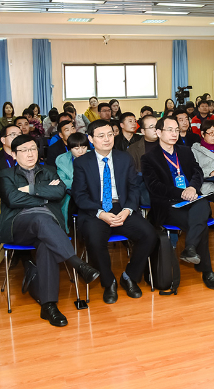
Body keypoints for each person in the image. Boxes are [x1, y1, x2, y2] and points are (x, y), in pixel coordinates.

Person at [0, 135, 100, 326]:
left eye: (33, 149)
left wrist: (28, 189)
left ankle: (49, 306)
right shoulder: (5, 175)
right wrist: (45, 196)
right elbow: (13, 200)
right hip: (18, 225)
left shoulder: (49, 170)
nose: (30, 154)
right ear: (13, 154)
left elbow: (59, 192)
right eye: (24, 150)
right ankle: (78, 264)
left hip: (49, 227)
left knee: (46, 244)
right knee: (40, 218)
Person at [72, 120, 157, 303]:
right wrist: (100, 213)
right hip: (95, 210)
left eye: (110, 134)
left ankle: (130, 276)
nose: (107, 139)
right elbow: (79, 195)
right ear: (90, 139)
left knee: (150, 234)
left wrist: (127, 210)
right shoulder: (82, 163)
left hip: (122, 207)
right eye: (101, 136)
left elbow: (134, 188)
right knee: (94, 239)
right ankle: (108, 281)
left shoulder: (124, 158)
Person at [141, 116, 214, 290]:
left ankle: (190, 248)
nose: (174, 133)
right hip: (168, 205)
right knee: (198, 223)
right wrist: (182, 193)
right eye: (169, 130)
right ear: (158, 132)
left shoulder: (185, 151)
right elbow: (155, 187)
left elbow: (197, 172)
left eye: (176, 130)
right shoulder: (149, 158)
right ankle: (207, 270)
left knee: (202, 205)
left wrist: (192, 188)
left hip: (192, 199)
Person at [191, 119, 214, 214]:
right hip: (208, 184)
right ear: (203, 134)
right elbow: (194, 170)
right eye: (211, 133)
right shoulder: (195, 150)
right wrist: (211, 172)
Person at [55, 131, 90, 230]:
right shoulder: (62, 160)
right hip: (72, 195)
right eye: (76, 148)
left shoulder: (93, 157)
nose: (80, 151)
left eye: (83, 147)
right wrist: (84, 183)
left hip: (93, 194)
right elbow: (62, 181)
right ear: (69, 148)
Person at [127, 114, 160, 208]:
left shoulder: (168, 144)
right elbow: (132, 175)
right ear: (143, 131)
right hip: (146, 186)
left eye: (157, 126)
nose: (155, 129)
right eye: (151, 127)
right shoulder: (133, 149)